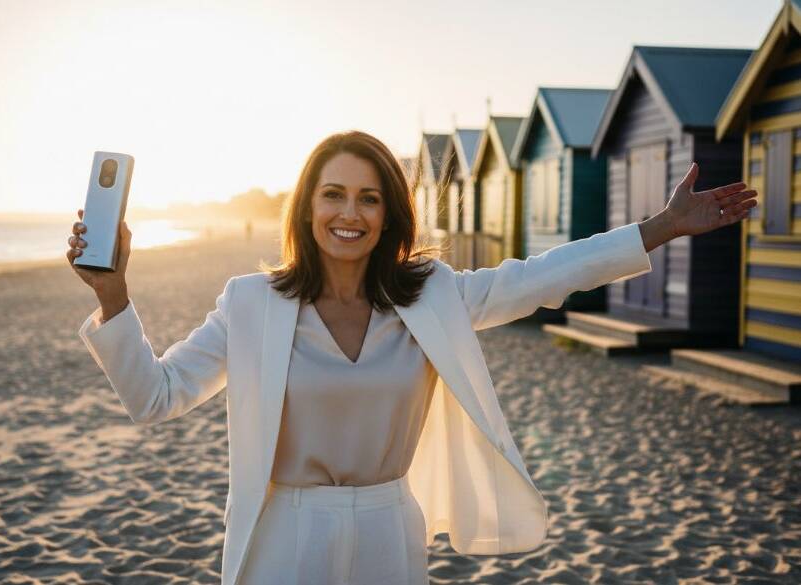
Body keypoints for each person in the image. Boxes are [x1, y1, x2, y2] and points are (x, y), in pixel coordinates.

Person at [67, 131, 756, 585]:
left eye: (369, 198)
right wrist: (113, 292)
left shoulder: (431, 295)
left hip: (389, 530)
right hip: (283, 536)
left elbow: (542, 276)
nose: (350, 213)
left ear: (389, 214)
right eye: (333, 194)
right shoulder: (251, 303)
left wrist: (661, 227)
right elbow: (155, 395)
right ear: (306, 208)